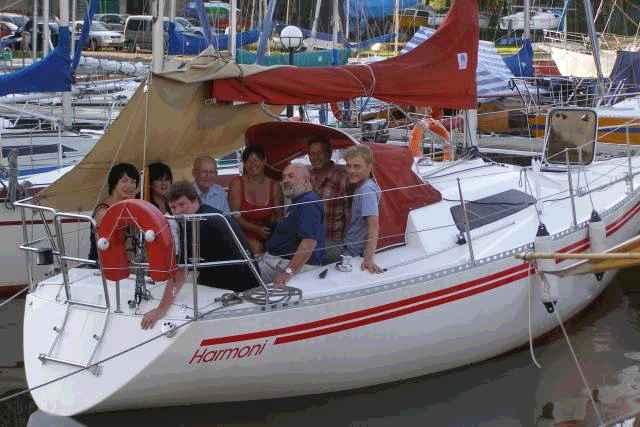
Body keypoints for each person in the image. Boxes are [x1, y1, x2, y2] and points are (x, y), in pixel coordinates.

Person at [141, 181, 260, 329]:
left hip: (237, 286)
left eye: (182, 204)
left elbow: (181, 272)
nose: (177, 211)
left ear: (195, 200)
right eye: (173, 207)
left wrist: (161, 309)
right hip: (240, 277)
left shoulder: (199, 223)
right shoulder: (206, 213)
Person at [260, 164, 325, 286]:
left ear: (306, 180)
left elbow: (309, 242)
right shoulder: (299, 201)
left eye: (291, 176)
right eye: (284, 177)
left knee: (243, 275)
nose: (285, 181)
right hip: (276, 261)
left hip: (288, 266)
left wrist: (288, 272)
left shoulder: (308, 203)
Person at [229, 145, 283, 255]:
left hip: (267, 231)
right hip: (242, 231)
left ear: (264, 161)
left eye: (256, 160)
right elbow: (235, 215)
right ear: (244, 164)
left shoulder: (274, 185)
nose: (252, 164)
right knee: (256, 247)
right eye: (248, 161)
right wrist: (256, 229)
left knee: (281, 246)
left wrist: (274, 231)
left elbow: (279, 215)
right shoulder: (237, 183)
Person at [307, 137, 349, 263]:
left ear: (329, 154)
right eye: (312, 154)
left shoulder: (342, 176)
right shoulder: (307, 176)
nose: (315, 157)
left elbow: (349, 214)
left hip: (332, 241)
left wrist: (346, 246)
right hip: (308, 238)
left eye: (319, 153)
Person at [343, 145, 383, 274]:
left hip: (354, 251)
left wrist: (368, 259)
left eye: (357, 166)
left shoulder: (367, 190)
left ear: (369, 167)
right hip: (350, 246)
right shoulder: (361, 186)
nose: (351, 171)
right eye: (348, 166)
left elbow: (373, 225)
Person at [88, 163, 140, 262]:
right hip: (101, 266)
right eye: (124, 181)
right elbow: (104, 248)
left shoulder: (126, 207)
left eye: (133, 182)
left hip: (124, 263)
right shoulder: (103, 212)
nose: (130, 186)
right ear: (114, 183)